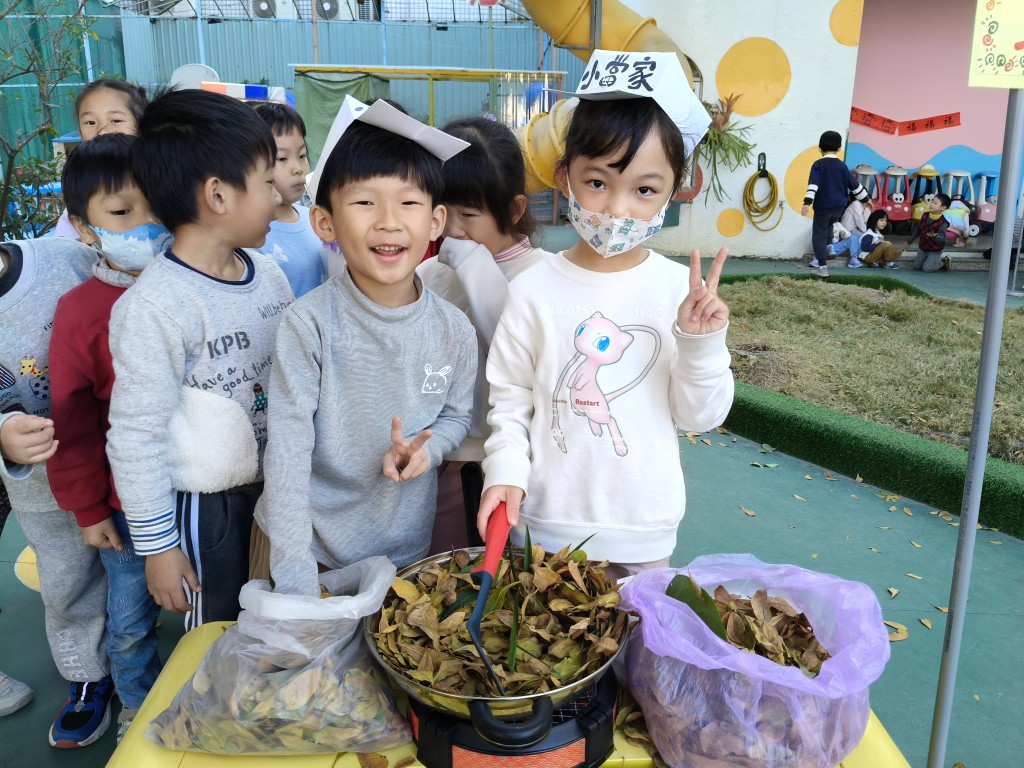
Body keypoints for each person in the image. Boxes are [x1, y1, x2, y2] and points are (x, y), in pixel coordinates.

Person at [477, 51, 734, 580]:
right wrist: (503, 471)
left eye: (645, 190)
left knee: (635, 636)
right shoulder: (531, 289)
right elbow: (511, 399)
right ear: (564, 178)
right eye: (597, 182)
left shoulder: (676, 292)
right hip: (541, 527)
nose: (617, 209)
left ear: (673, 193)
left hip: (642, 531)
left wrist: (701, 343)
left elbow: (700, 417)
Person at [255, 96, 477, 596]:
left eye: (409, 203)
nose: (389, 221)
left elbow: (455, 416)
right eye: (364, 202)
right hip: (307, 550)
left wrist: (428, 449)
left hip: (404, 552)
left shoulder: (454, 330)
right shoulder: (307, 324)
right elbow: (287, 454)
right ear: (325, 222)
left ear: (436, 222)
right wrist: (294, 575)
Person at [105, 89, 294, 631]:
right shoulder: (154, 307)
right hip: (208, 510)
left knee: (275, 619)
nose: (277, 193)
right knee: (218, 632)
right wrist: (159, 547)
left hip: (275, 487)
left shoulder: (269, 276)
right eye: (266, 181)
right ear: (218, 194)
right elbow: (136, 436)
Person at [47, 134, 170, 743]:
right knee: (129, 618)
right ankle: (138, 712)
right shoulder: (79, 312)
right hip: (125, 510)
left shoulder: (197, 285)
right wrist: (89, 508)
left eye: (156, 206)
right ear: (83, 227)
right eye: (122, 212)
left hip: (206, 496)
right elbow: (70, 422)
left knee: (217, 607)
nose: (145, 224)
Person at [416, 116, 549, 553]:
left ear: (513, 210)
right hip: (437, 457)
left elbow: (514, 356)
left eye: (469, 215)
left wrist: (473, 266)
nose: (452, 229)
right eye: (442, 210)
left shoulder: (542, 276)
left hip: (502, 463)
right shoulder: (430, 273)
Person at [1, 236, 111, 747]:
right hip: (41, 490)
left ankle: (143, 655)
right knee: (67, 583)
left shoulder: (62, 258)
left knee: (142, 567)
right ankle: (88, 674)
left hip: (121, 462)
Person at [52, 79, 148, 240]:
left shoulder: (160, 175)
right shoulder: (84, 188)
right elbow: (65, 243)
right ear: (80, 133)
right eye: (90, 122)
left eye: (116, 120)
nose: (102, 131)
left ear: (142, 126)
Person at [251, 101, 327, 298]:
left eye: (302, 155)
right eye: (282, 159)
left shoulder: (314, 218)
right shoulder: (252, 234)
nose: (298, 169)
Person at [801, 130, 870, 278]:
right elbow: (854, 185)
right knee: (829, 228)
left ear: (819, 147)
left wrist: (807, 202)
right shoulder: (842, 166)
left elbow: (813, 185)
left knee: (818, 235)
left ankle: (822, 267)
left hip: (823, 207)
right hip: (838, 207)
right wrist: (866, 199)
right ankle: (830, 247)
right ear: (839, 148)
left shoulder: (818, 165)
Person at [828, 208, 902, 269]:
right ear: (874, 221)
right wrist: (878, 244)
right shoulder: (869, 234)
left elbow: (848, 236)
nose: (884, 223)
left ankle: (878, 262)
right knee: (887, 244)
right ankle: (886, 263)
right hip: (866, 256)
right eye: (881, 220)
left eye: (885, 221)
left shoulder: (879, 234)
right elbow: (865, 248)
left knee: (898, 251)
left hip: (872, 254)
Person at [908, 193, 952, 272]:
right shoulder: (925, 215)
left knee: (927, 269)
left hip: (935, 250)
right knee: (916, 267)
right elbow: (918, 229)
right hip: (923, 247)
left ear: (943, 208)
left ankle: (944, 261)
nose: (931, 204)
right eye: (932, 201)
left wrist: (935, 237)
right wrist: (909, 241)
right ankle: (928, 260)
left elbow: (942, 238)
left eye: (935, 203)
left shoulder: (943, 223)